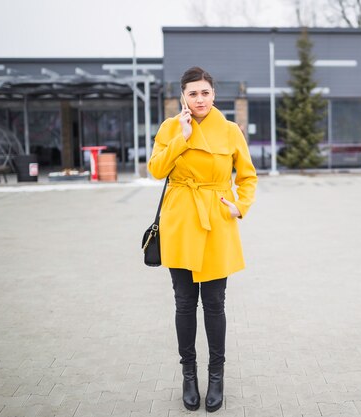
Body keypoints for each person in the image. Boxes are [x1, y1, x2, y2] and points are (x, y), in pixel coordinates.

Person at [148, 66, 257, 412]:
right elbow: (155, 170)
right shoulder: (170, 128)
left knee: (214, 304)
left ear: (214, 94)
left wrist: (241, 206)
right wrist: (181, 136)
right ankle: (189, 375)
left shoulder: (229, 130)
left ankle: (217, 376)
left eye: (205, 93)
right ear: (183, 97)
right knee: (183, 304)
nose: (199, 99)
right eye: (192, 93)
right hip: (180, 219)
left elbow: (248, 175)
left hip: (217, 220)